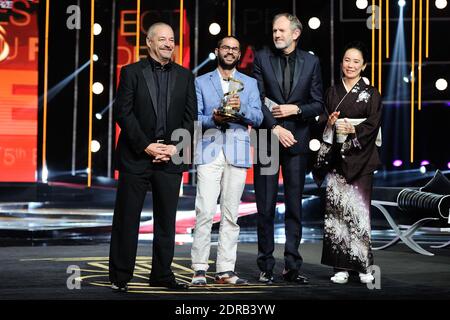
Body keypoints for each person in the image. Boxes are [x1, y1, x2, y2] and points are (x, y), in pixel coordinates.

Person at [109, 22, 197, 292]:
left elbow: (190, 117)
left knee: (166, 220)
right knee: (127, 218)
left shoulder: (185, 76)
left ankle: (162, 274)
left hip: (170, 157)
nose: (169, 44)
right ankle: (121, 276)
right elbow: (123, 113)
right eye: (163, 39)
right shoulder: (132, 72)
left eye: (172, 40)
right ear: (149, 42)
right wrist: (146, 145)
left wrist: (174, 147)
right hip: (137, 156)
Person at [252, 13, 324, 284]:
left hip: (297, 141)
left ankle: (292, 266)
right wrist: (274, 127)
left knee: (294, 206)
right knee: (265, 207)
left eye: (281, 31)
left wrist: (297, 109)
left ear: (296, 33)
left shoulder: (311, 61)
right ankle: (265, 266)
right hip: (267, 140)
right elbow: (255, 99)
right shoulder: (261, 58)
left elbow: (318, 103)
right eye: (274, 31)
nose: (276, 35)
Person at [191, 36, 263, 286]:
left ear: (239, 54)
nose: (230, 52)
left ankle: (225, 270)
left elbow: (259, 117)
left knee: (231, 215)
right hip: (208, 149)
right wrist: (215, 119)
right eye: (226, 48)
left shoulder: (250, 84)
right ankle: (199, 268)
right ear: (217, 51)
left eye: (235, 49)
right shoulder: (200, 81)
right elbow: (195, 120)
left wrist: (240, 109)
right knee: (204, 212)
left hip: (237, 151)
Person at [316, 41, 382, 284]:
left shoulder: (371, 93)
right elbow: (323, 118)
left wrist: (352, 129)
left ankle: (364, 265)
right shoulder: (333, 92)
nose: (351, 65)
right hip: (337, 159)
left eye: (356, 61)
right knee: (337, 214)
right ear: (341, 63)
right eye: (347, 60)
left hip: (362, 160)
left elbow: (373, 124)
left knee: (359, 213)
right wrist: (331, 123)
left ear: (363, 66)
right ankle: (340, 266)